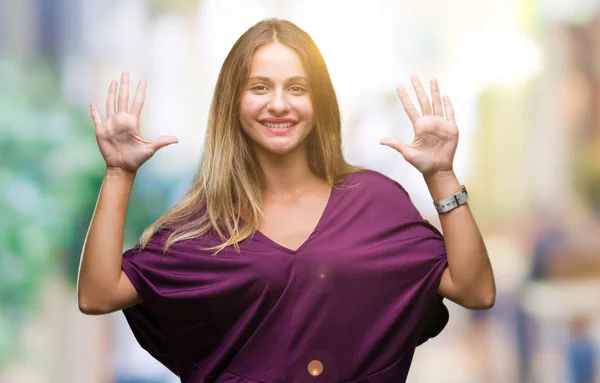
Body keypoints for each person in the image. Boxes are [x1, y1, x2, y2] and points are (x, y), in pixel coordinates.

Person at [77, 18, 495, 383]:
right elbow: (98, 295)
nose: (279, 104)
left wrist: (441, 175)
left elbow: (475, 291)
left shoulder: (376, 201)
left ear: (319, 103)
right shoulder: (203, 226)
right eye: (260, 87)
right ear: (233, 102)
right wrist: (118, 173)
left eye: (297, 88)